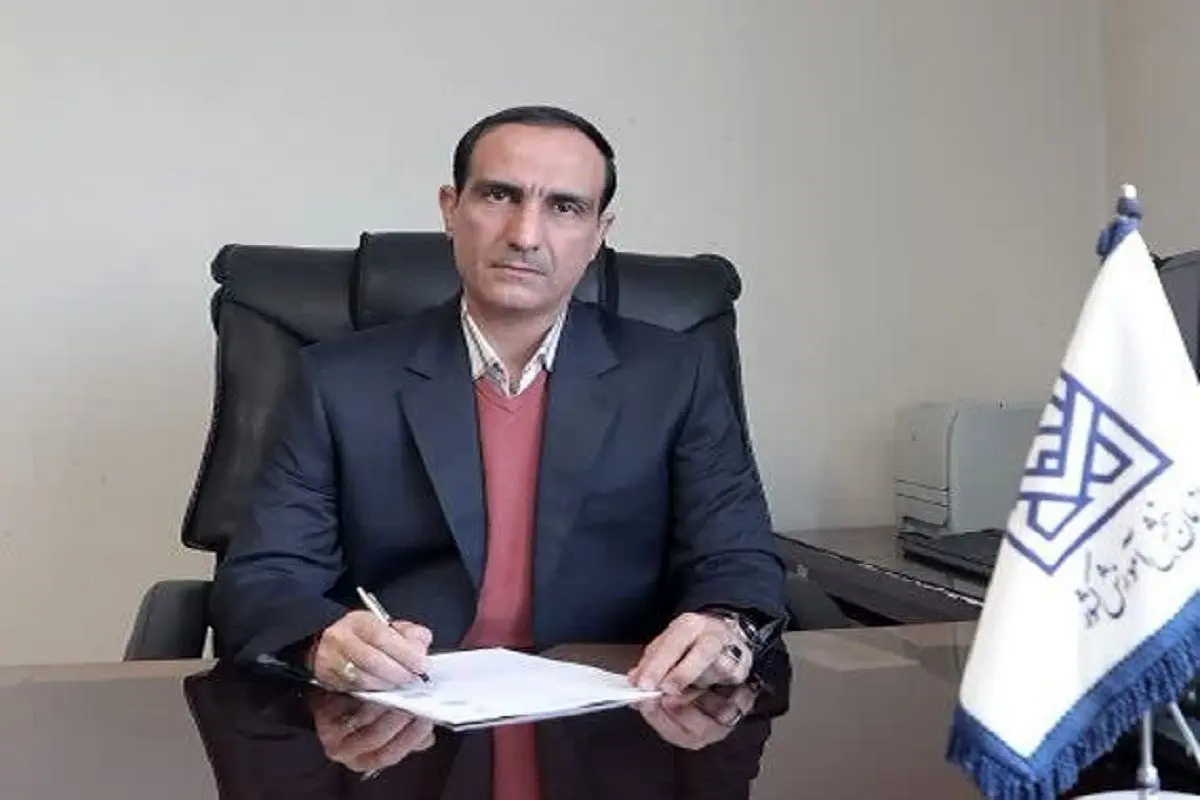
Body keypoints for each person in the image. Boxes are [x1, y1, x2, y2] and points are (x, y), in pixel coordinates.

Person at [209, 104, 788, 699]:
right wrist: (321, 639)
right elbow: (264, 576)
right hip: (400, 713)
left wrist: (725, 628)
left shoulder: (675, 374)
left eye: (565, 207)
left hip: (617, 710)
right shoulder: (335, 380)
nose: (525, 235)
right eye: (498, 195)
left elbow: (736, 559)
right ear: (450, 208)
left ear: (599, 234)